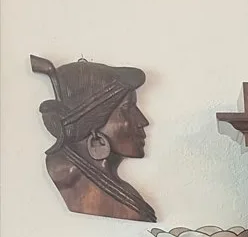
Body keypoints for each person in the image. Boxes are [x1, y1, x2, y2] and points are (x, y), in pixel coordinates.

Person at [31, 54, 156, 222]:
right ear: (93, 125)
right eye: (128, 109)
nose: (143, 121)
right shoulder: (71, 178)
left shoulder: (119, 192)